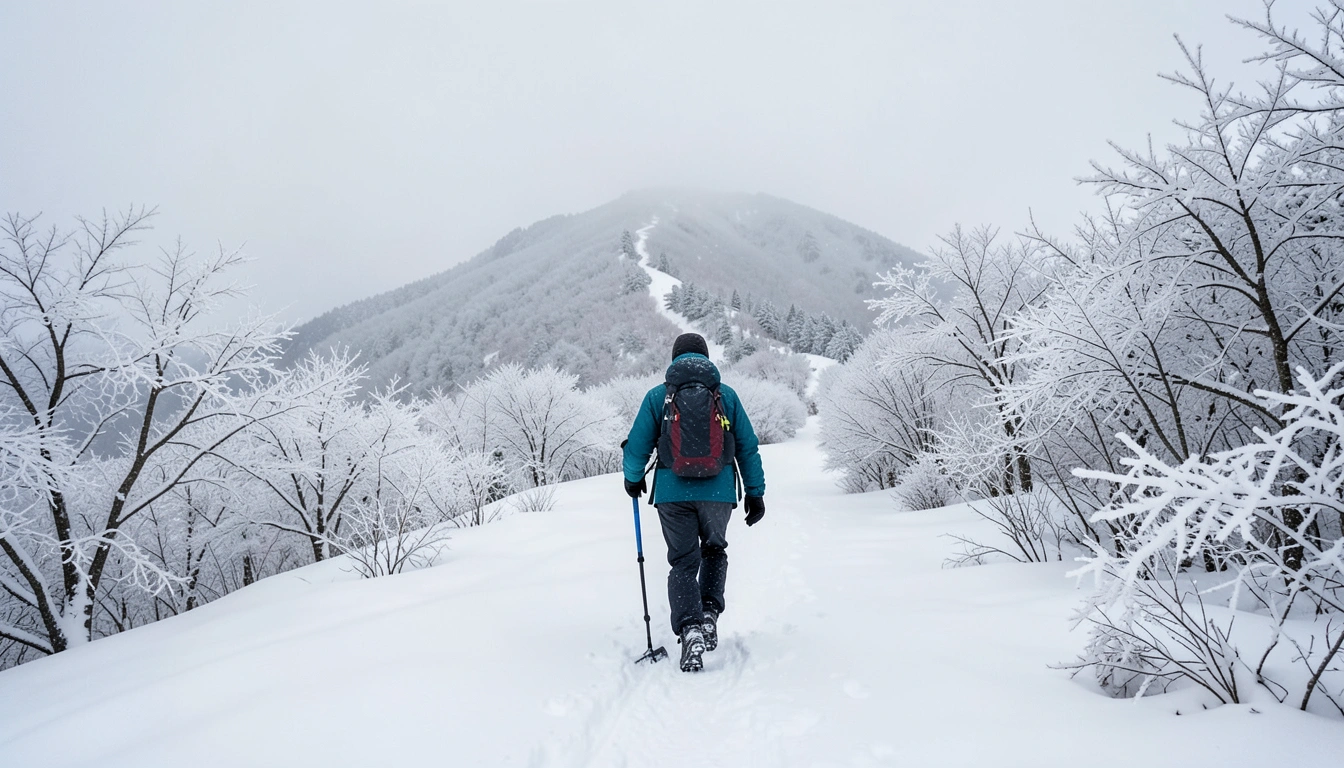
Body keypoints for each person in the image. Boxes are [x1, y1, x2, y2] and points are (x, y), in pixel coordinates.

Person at [622, 332, 766, 672]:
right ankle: (709, 614)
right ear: (706, 357)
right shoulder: (725, 395)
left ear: (674, 358)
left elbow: (637, 446)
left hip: (673, 494)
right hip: (718, 493)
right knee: (714, 550)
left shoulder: (659, 396)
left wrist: (633, 478)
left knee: (684, 562)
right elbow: (747, 446)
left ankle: (689, 629)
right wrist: (755, 493)